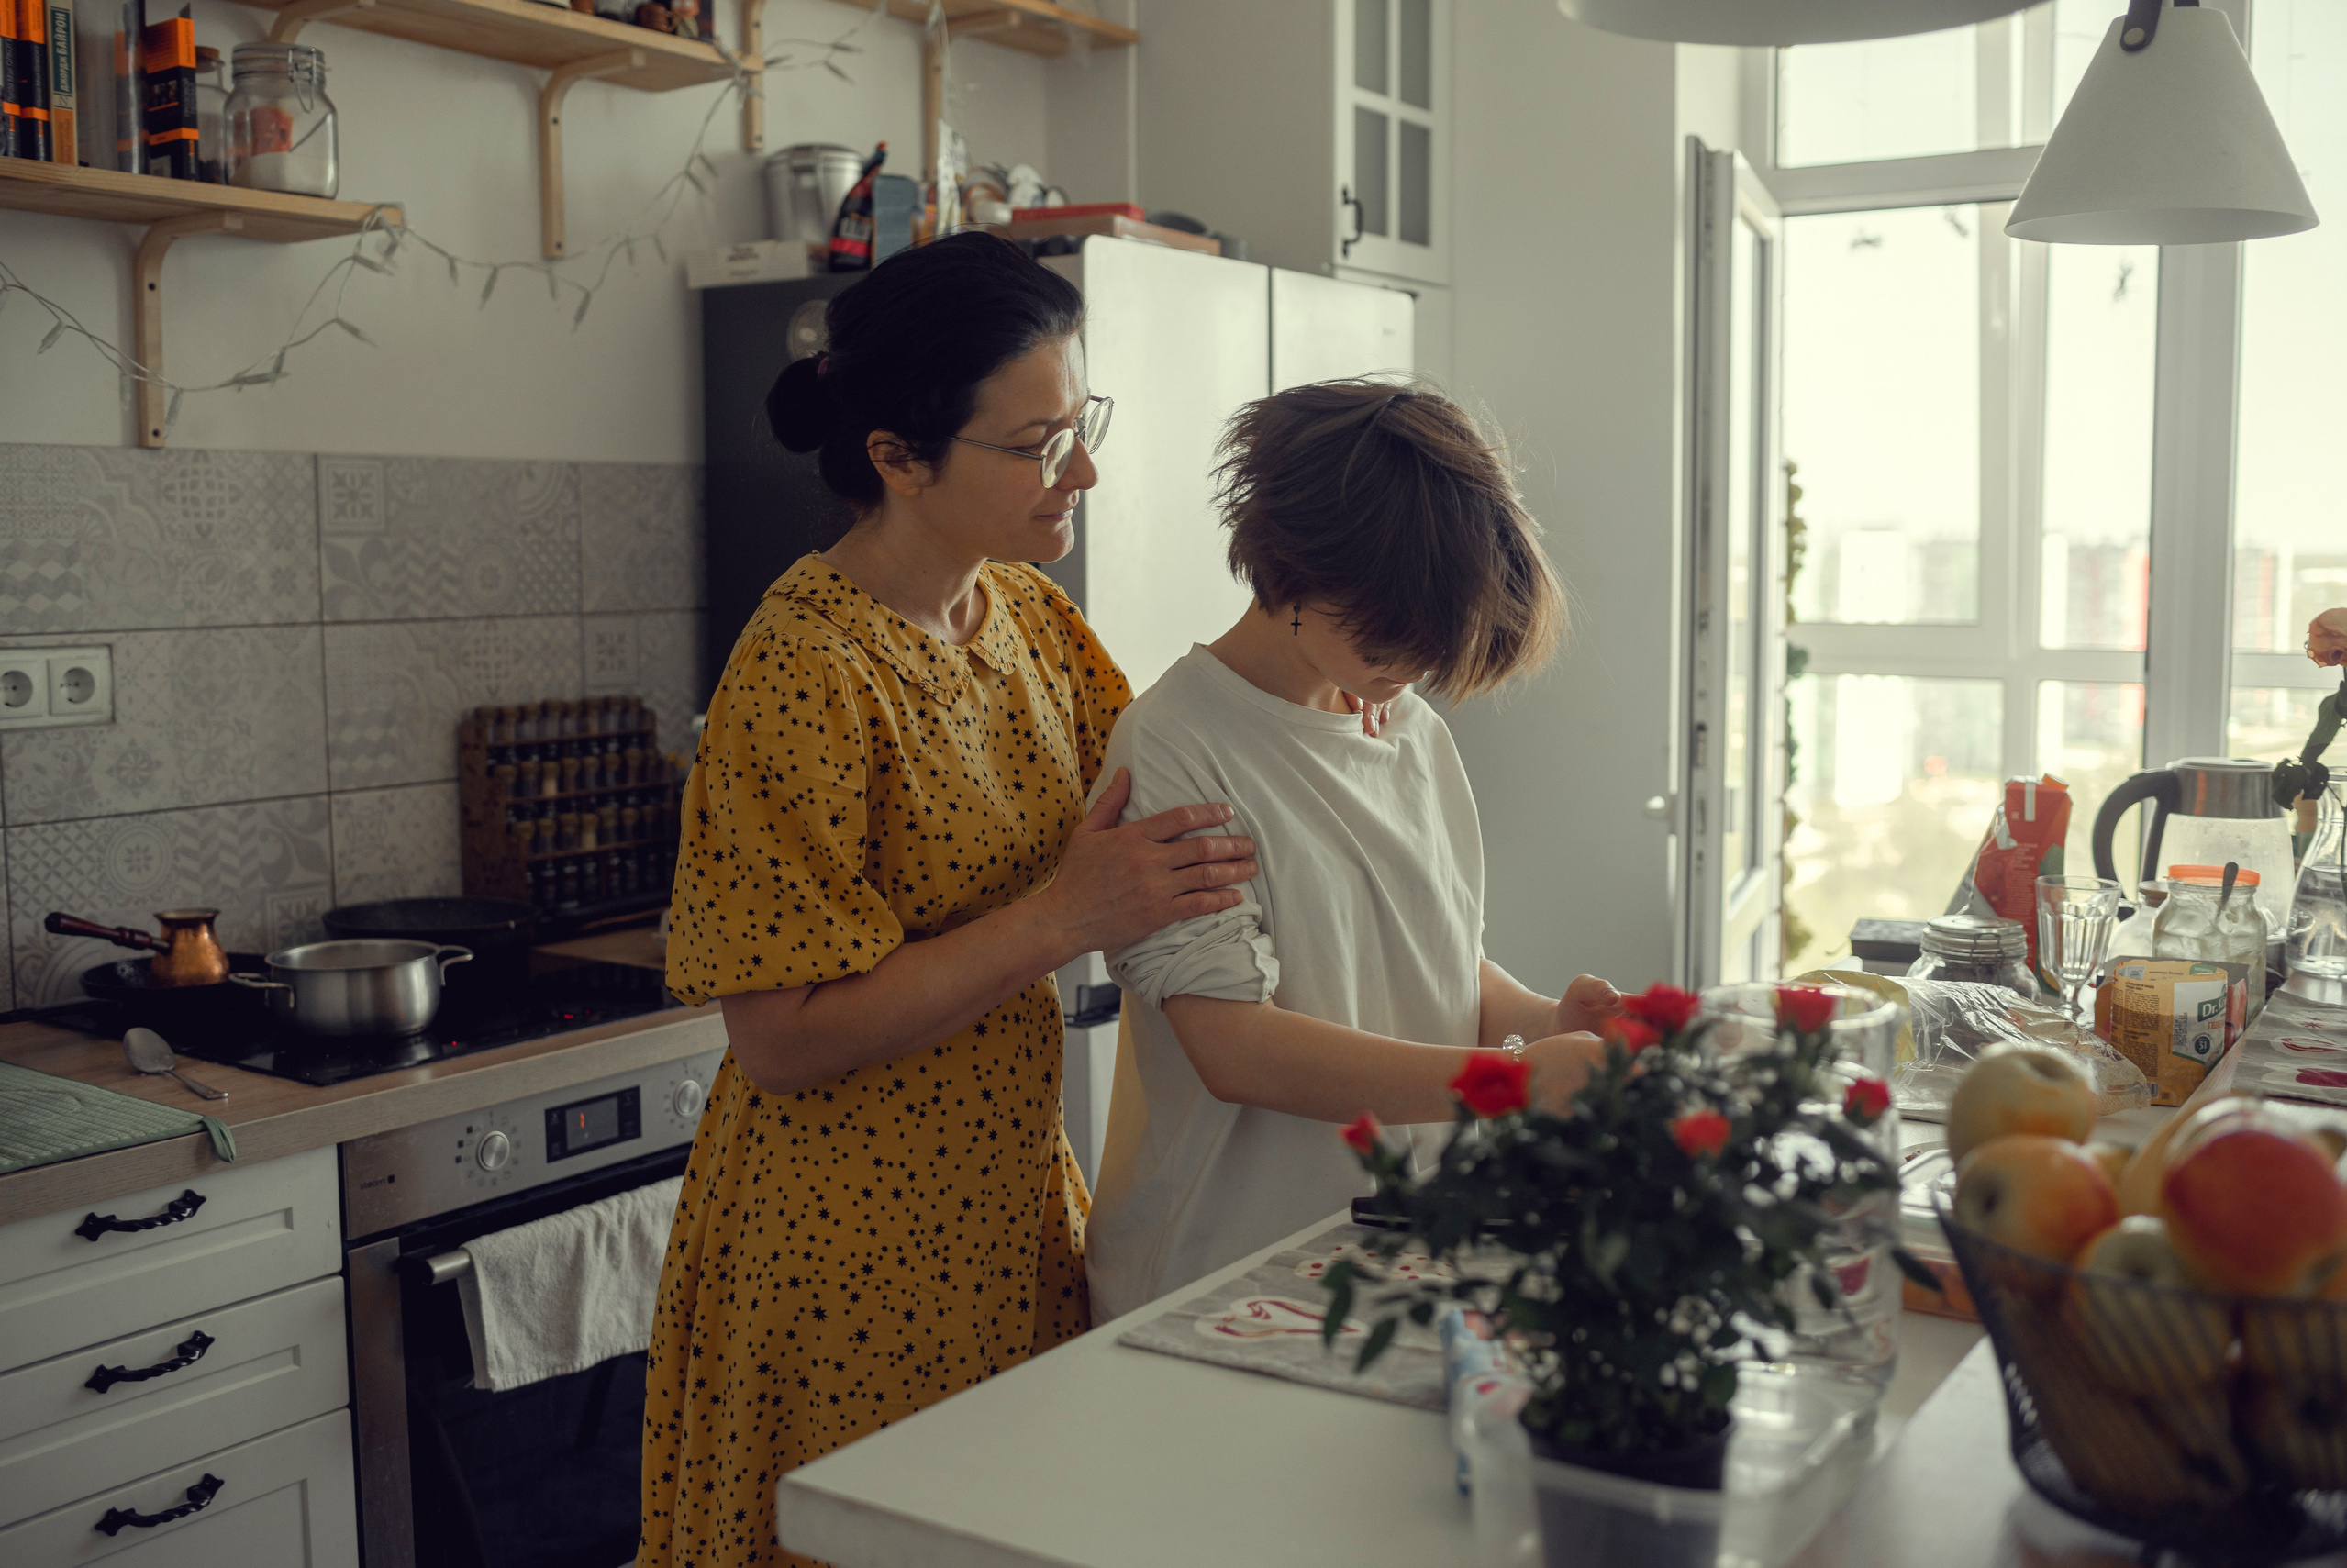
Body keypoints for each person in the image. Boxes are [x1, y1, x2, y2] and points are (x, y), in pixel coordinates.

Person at [640, 233, 1260, 1568]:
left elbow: (1167, 786)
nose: (1081, 469)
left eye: (1079, 423)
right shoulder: (802, 668)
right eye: (1037, 443)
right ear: (896, 457)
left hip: (1006, 1208)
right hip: (842, 1251)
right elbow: (782, 1037)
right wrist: (1057, 920)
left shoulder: (1027, 618)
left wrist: (1326, 670)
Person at [1084, 380, 1622, 1321]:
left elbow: (1429, 955)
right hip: (1221, 1275)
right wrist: (1506, 1083)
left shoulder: (1406, 726)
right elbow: (1233, 1046)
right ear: (1290, 562)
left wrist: (1536, 1019)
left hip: (1392, 1250)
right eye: (1388, 636)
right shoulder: (1178, 742)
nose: (1410, 669)